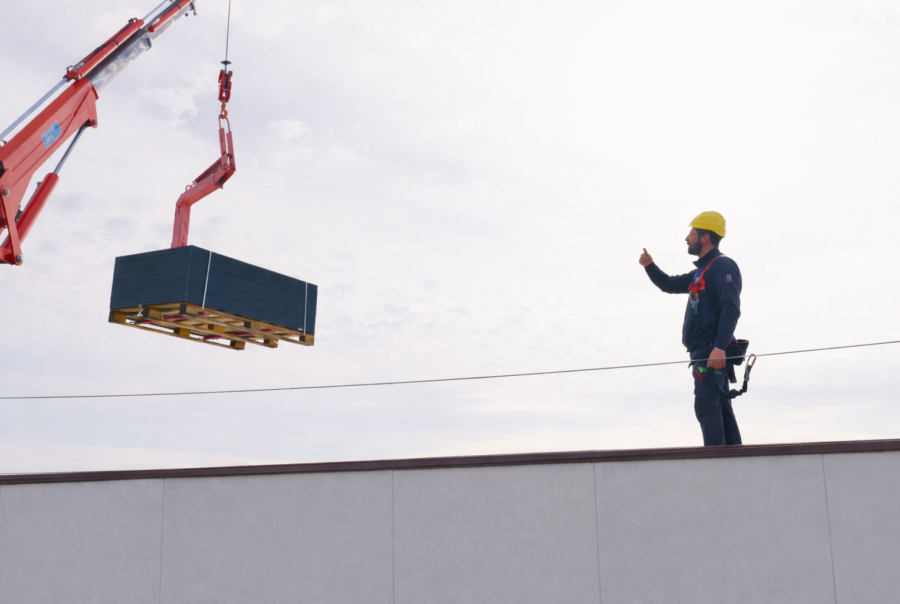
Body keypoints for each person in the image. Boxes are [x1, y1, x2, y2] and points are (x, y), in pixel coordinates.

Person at [639, 211, 743, 446]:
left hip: (711, 351)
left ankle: (716, 462)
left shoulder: (722, 265)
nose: (687, 238)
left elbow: (731, 308)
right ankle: (734, 460)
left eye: (692, 233)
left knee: (707, 405)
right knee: (720, 406)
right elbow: (669, 284)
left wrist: (719, 348)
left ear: (705, 237)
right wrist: (650, 266)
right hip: (705, 351)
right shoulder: (701, 271)